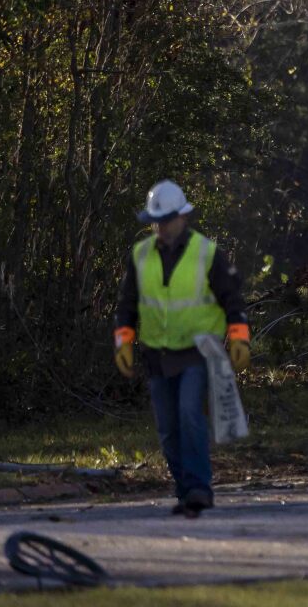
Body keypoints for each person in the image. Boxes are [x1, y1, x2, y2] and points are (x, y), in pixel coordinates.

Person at [113, 180, 249, 517]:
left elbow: (233, 299)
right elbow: (126, 305)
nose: (160, 227)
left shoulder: (206, 253)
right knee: (168, 427)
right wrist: (124, 343)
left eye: (166, 220)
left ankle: (199, 487)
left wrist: (240, 337)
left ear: (182, 217)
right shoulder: (140, 255)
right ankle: (183, 489)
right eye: (155, 221)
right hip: (156, 354)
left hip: (196, 351)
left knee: (190, 414)